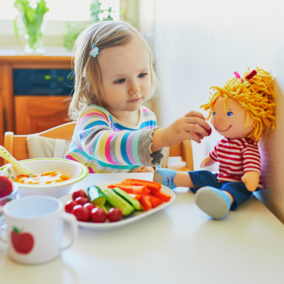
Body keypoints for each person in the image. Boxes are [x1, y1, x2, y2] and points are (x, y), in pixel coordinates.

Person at [65, 21, 210, 173]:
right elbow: (106, 147)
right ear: (93, 84)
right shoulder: (92, 117)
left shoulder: (148, 118)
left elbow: (146, 156)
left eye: (142, 74)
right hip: (85, 193)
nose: (135, 88)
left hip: (123, 193)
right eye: (120, 80)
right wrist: (161, 137)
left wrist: (148, 168)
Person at [154, 68, 275, 220]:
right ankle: (174, 178)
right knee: (203, 175)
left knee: (235, 189)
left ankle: (223, 200)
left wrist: (251, 177)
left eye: (229, 114)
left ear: (254, 116)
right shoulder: (223, 142)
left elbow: (252, 167)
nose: (218, 119)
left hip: (237, 181)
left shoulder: (248, 147)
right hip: (219, 177)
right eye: (216, 113)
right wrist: (208, 159)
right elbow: (216, 154)